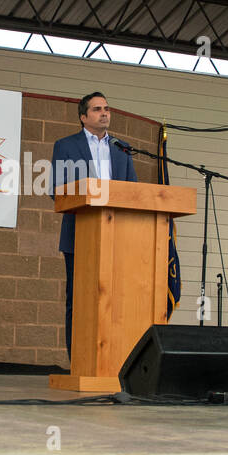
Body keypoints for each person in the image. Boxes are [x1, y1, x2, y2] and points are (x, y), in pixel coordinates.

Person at [51, 92, 138, 357]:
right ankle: (77, 359)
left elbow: (133, 191)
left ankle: (113, 361)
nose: (105, 113)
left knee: (113, 300)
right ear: (83, 116)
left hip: (116, 236)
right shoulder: (66, 145)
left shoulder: (121, 149)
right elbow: (57, 189)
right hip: (80, 234)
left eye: (107, 108)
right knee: (78, 300)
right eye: (98, 109)